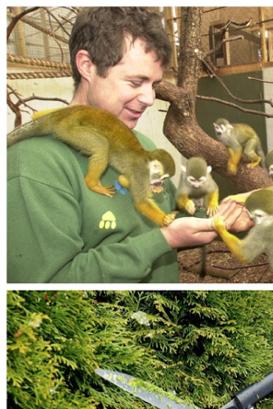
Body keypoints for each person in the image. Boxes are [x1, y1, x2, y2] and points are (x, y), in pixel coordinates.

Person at [7, 8, 250, 282]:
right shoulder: (33, 165)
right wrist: (163, 239)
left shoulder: (139, 143)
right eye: (136, 81)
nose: (149, 97)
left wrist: (220, 216)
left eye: (154, 84)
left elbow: (171, 212)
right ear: (87, 66)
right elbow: (51, 283)